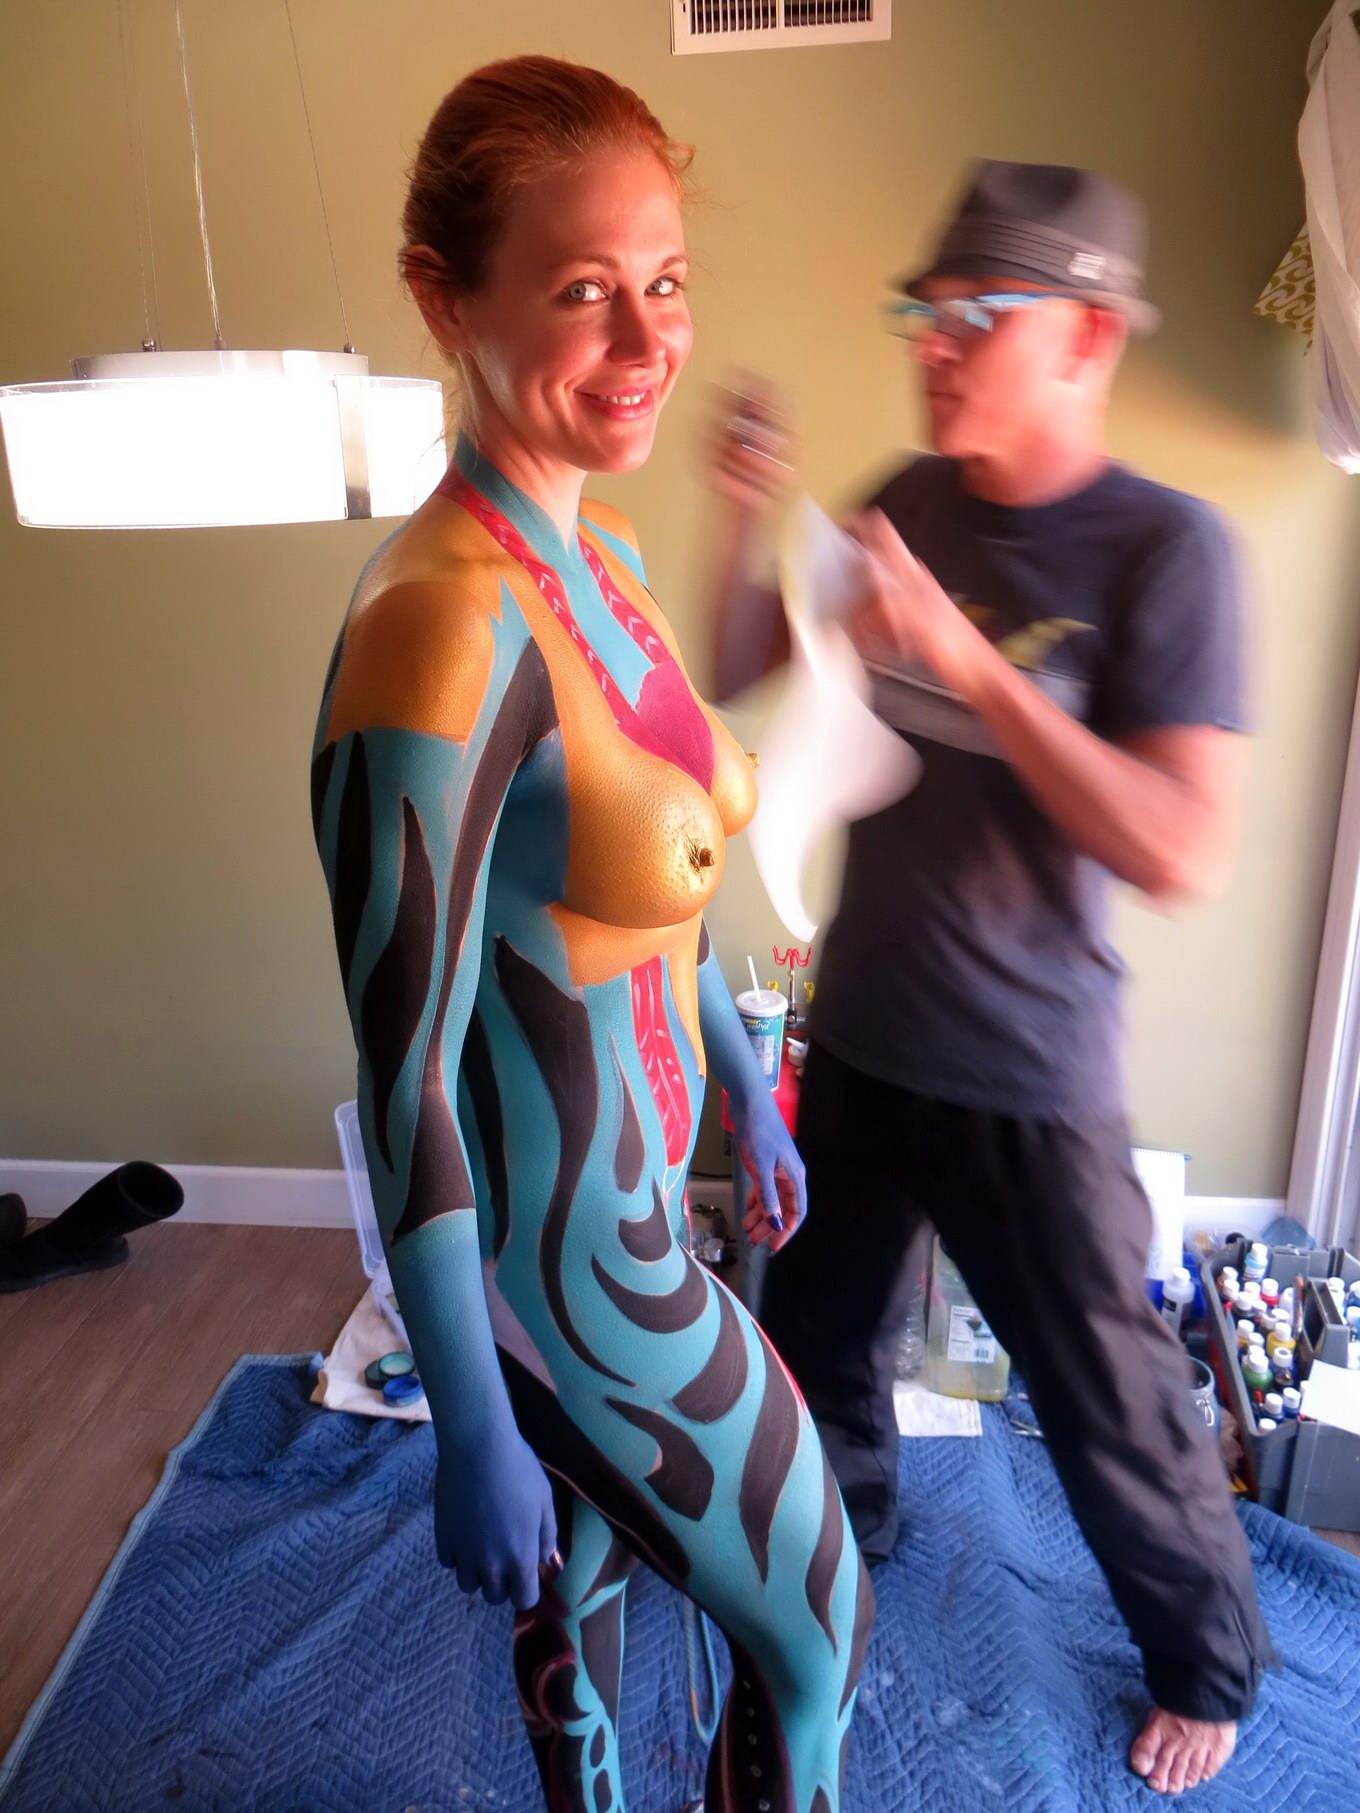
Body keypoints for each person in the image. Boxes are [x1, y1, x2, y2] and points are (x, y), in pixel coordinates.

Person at [310, 56, 871, 1813]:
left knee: (599, 1624)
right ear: (444, 300)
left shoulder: (604, 554)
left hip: (650, 1229)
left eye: (667, 281)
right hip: (570, 1287)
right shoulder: (437, 637)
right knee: (818, 1633)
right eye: (580, 291)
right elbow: (404, 1078)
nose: (645, 341)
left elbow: (657, 888)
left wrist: (742, 1084)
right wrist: (469, 1419)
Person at [705, 160, 1271, 1799]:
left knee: (1114, 1402)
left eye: (977, 315)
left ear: (1086, 335)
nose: (932, 345)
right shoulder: (911, 497)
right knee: (819, 1344)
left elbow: (1181, 849)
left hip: (1030, 1065)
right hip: (863, 1025)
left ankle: (1208, 1662)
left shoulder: (1168, 550)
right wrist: (744, 508)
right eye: (923, 312)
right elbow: (746, 660)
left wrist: (967, 665)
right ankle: (837, 1562)